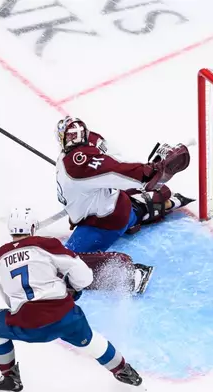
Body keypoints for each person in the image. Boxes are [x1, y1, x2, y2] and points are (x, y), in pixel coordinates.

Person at [0, 208, 142, 391]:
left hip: (27, 324)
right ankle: (124, 371)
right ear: (33, 227)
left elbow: (8, 297)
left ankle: (10, 379)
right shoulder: (44, 244)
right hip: (65, 317)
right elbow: (84, 276)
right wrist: (74, 289)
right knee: (92, 340)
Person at [54, 116, 195, 291]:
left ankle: (127, 274)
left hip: (103, 224)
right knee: (125, 200)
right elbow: (113, 160)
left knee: (62, 264)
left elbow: (115, 170)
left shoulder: (78, 165)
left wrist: (150, 171)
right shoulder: (91, 143)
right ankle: (155, 203)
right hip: (121, 206)